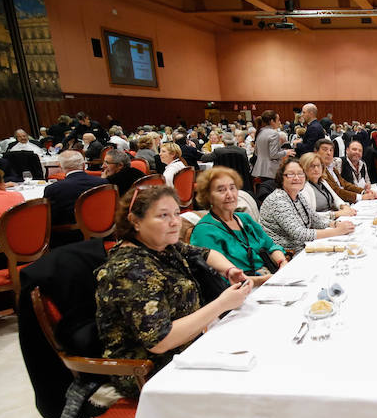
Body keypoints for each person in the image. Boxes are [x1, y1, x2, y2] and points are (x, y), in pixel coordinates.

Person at [95, 185, 253, 398]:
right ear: (135, 221)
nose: (175, 222)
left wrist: (229, 270)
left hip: (189, 346)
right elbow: (160, 341)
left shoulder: (162, 246)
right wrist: (222, 304)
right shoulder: (130, 269)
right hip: (151, 371)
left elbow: (205, 253)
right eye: (163, 215)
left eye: (177, 213)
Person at [190, 167, 287, 282]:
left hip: (269, 277)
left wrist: (282, 262)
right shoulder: (204, 231)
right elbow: (217, 279)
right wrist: (262, 280)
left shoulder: (244, 218)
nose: (230, 195)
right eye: (221, 190)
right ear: (208, 196)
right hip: (242, 287)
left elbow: (270, 246)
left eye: (232, 188)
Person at [259, 159, 355, 254]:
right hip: (287, 254)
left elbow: (315, 220)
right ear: (281, 178)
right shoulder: (278, 200)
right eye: (291, 174)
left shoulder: (298, 195)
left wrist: (335, 224)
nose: (297, 178)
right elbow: (299, 233)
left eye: (300, 174)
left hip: (303, 247)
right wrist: (337, 231)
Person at [43, 150, 108, 228]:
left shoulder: (54, 189)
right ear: (83, 165)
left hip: (67, 232)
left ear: (61, 167)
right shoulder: (103, 182)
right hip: (99, 228)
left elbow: (48, 217)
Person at [298, 153, 357, 220]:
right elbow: (309, 215)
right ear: (303, 168)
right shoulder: (303, 187)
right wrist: (336, 214)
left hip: (333, 219)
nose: (316, 169)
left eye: (318, 165)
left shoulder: (323, 182)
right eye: (312, 166)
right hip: (322, 223)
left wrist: (344, 206)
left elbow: (336, 199)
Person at [252, 110, 295, 181]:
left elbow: (256, 152)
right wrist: (286, 152)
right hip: (270, 170)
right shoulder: (274, 134)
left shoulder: (260, 132)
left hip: (260, 169)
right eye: (278, 120)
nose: (279, 122)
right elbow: (273, 155)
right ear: (272, 121)